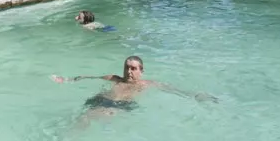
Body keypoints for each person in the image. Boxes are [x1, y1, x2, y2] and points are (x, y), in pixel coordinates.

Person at [52, 55, 217, 120]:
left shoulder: (148, 84)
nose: (129, 71)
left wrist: (197, 96)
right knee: (82, 117)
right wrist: (66, 80)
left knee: (85, 118)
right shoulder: (114, 78)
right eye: (127, 67)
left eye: (133, 68)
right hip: (102, 100)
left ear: (141, 71)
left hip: (120, 106)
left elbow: (175, 90)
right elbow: (88, 77)